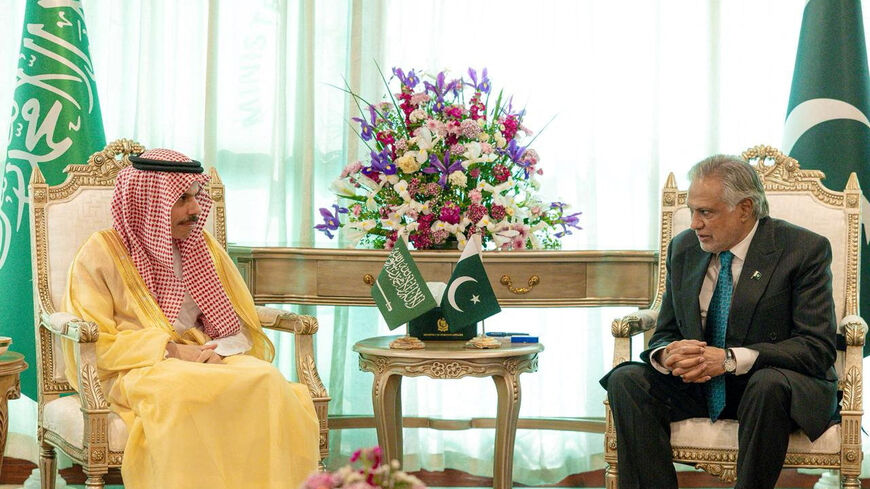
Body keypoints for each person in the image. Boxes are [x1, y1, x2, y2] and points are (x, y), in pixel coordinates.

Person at [61, 148, 320, 489]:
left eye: (196, 197)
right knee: (182, 391)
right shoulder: (101, 252)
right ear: (151, 202)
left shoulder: (201, 246)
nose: (196, 210)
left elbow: (235, 319)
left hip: (203, 356)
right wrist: (168, 350)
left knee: (265, 380)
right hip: (133, 367)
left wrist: (221, 350)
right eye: (182, 199)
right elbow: (96, 343)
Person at [600, 154, 838, 489]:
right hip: (701, 385)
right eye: (691, 211)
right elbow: (665, 331)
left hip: (770, 388)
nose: (694, 223)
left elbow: (816, 348)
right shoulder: (684, 248)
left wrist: (728, 360)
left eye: (705, 212)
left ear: (744, 209)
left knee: (766, 384)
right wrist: (668, 355)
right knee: (626, 379)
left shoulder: (802, 249)